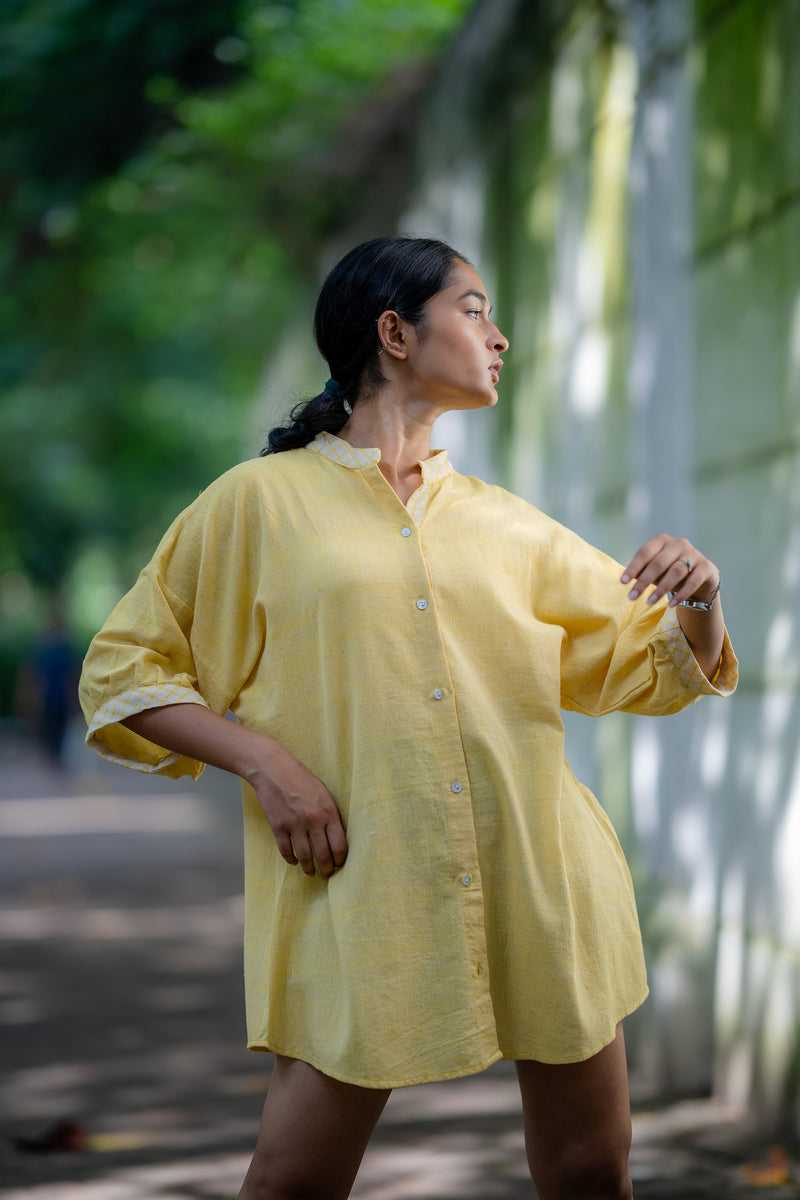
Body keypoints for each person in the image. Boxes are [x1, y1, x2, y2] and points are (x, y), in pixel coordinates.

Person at [79, 235, 737, 1200]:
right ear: (394, 332)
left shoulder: (507, 524)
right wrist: (265, 762)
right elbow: (123, 670)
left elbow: (649, 665)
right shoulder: (255, 507)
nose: (500, 336)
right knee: (292, 1183)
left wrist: (699, 596)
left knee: (593, 1171)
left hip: (543, 879)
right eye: (474, 310)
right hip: (359, 886)